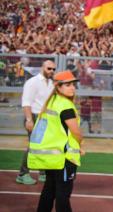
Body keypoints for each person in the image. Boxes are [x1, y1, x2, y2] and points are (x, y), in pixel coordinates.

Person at [27, 70, 83, 212]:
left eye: (73, 85)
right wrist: (80, 145)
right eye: (67, 85)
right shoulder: (66, 106)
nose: (72, 88)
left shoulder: (51, 102)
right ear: (58, 87)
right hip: (63, 157)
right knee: (63, 194)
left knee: (49, 190)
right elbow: (76, 132)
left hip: (51, 157)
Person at [16, 60, 55, 185]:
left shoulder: (51, 83)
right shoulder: (32, 82)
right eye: (49, 68)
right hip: (34, 117)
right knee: (33, 147)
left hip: (46, 118)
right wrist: (29, 120)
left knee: (45, 146)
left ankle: (42, 172)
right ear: (42, 68)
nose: (51, 71)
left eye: (54, 69)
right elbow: (26, 102)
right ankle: (22, 174)